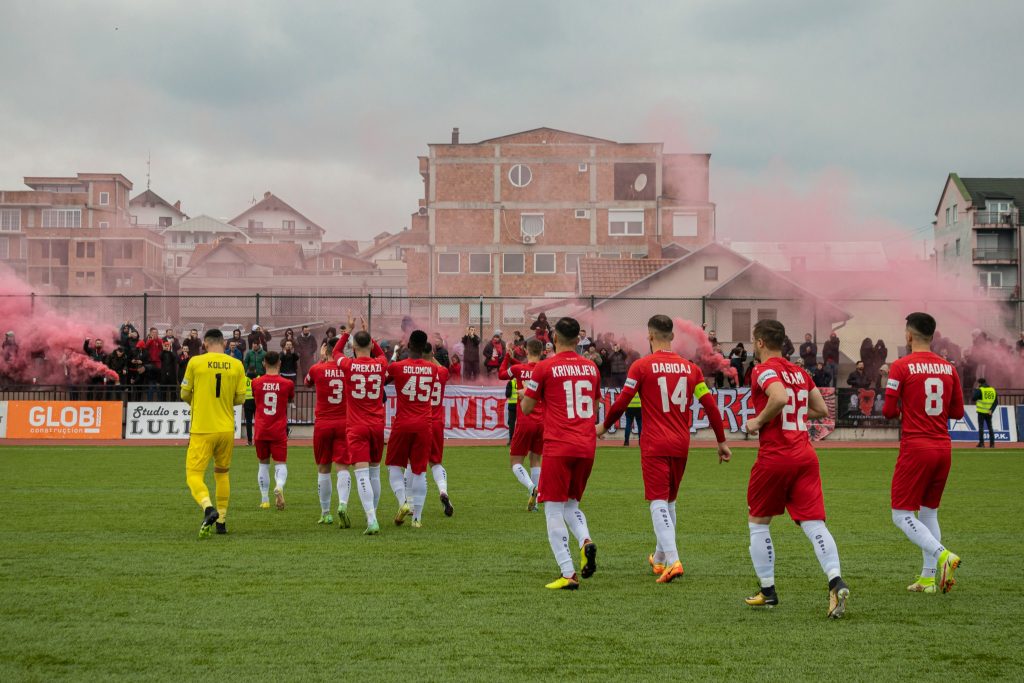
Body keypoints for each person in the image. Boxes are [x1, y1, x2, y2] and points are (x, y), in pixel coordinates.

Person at [598, 314, 731, 583]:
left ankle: (673, 560)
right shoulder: (691, 369)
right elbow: (710, 406)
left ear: (650, 336)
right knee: (669, 501)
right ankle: (659, 558)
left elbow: (623, 401)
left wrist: (603, 426)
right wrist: (721, 441)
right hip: (681, 443)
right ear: (672, 336)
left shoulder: (641, 366)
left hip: (654, 443)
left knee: (658, 501)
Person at [743, 319, 850, 618]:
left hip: (776, 456)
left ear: (760, 342)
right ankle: (835, 581)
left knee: (758, 523)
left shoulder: (763, 369)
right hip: (805, 455)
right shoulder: (800, 373)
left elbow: (779, 397)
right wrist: (795, 415)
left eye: (754, 341)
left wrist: (758, 421)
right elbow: (821, 409)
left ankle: (768, 592)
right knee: (814, 523)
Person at [882, 312, 965, 594]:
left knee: (901, 515)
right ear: (932, 336)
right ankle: (928, 579)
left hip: (916, 447)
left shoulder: (901, 366)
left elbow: (888, 411)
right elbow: (957, 412)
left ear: (908, 336)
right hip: (943, 447)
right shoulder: (949, 368)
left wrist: (907, 407)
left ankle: (944, 556)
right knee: (929, 513)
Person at [520, 317, 599, 590]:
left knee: (553, 508)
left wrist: (525, 394)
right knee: (571, 505)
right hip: (586, 445)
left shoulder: (545, 367)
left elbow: (527, 408)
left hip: (558, 445)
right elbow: (594, 407)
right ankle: (585, 541)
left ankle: (568, 573)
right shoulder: (591, 367)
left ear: (554, 339)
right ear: (578, 340)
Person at [179, 329, 247, 539]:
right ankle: (222, 522)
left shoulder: (195, 362)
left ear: (205, 344)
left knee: (193, 475)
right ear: (224, 343)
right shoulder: (236, 364)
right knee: (222, 473)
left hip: (202, 428)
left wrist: (199, 401)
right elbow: (240, 398)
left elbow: (184, 393)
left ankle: (208, 508)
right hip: (226, 429)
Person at [337, 326, 389, 535]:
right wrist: (371, 338)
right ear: (370, 345)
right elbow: (382, 354)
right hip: (376, 425)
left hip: (357, 426)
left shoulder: (349, 365)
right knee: (375, 473)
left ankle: (372, 519)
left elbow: (336, 352)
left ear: (353, 347)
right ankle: (373, 514)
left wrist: (347, 332)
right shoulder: (380, 363)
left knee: (361, 474)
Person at [385, 330, 439, 528]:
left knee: (393, 465)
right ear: (425, 347)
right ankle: (417, 519)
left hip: (403, 423)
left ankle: (403, 502)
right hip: (424, 424)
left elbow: (382, 379)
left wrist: (395, 355)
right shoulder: (433, 369)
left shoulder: (397, 367)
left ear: (409, 345)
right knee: (419, 471)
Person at [305, 341, 349, 526]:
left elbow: (307, 382)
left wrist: (321, 359)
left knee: (323, 468)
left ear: (325, 351)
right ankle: (343, 504)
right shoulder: (348, 368)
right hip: (344, 422)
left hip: (323, 424)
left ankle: (325, 513)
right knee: (343, 467)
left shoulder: (317, 369)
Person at [499, 339, 545, 511]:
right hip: (543, 422)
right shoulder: (545, 369)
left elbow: (502, 374)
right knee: (536, 459)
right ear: (542, 352)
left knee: (515, 462)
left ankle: (532, 488)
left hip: (525, 420)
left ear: (526, 351)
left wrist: (507, 357)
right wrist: (513, 359)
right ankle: (535, 503)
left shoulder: (519, 369)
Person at [251, 351, 295, 511]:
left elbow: (255, 398)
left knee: (263, 464)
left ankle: (264, 500)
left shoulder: (256, 383)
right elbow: (290, 398)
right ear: (279, 363)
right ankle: (279, 485)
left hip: (261, 429)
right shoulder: (287, 383)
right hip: (278, 429)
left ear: (264, 363)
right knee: (280, 463)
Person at [426, 344, 454, 516]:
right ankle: (443, 491)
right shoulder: (441, 372)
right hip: (436, 422)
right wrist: (432, 357)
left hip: (420, 421)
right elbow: (445, 370)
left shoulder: (417, 371)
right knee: (436, 463)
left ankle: (411, 505)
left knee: (412, 465)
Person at [972, 378, 997, 448]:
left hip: (981, 412)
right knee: (990, 428)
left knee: (981, 428)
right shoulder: (992, 390)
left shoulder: (980, 390)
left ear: (979, 383)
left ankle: (981, 443)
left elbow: (973, 398)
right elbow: (996, 402)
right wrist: (991, 410)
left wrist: (976, 390)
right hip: (989, 412)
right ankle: (992, 444)